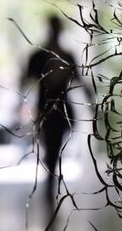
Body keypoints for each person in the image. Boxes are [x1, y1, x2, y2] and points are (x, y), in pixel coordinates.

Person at [22, 14, 92, 221]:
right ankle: (50, 185)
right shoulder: (38, 56)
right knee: (51, 150)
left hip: (62, 112)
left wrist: (92, 100)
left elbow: (78, 79)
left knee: (54, 149)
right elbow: (26, 78)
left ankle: (51, 184)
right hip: (45, 111)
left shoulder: (66, 56)